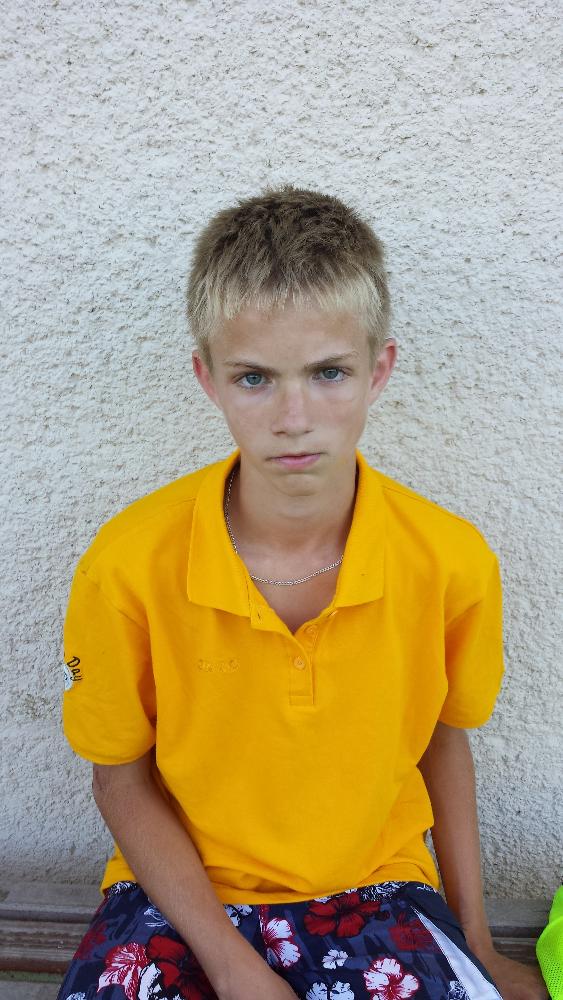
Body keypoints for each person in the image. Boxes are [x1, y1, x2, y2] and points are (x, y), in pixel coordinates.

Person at [58, 186, 547, 1000]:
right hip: (176, 897)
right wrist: (232, 967)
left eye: (328, 373)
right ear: (208, 378)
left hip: (377, 888)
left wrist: (478, 947)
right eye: (254, 377)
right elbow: (119, 776)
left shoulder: (447, 559)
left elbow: (442, 741)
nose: (294, 417)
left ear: (377, 370)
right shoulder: (128, 563)